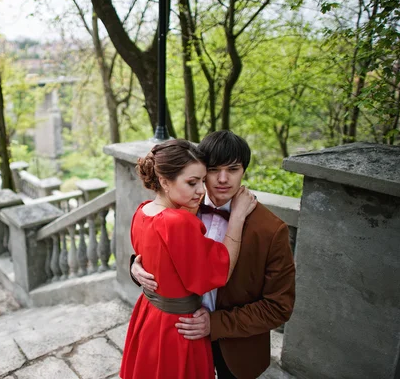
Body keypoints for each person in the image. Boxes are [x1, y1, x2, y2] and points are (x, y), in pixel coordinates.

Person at [132, 131, 296, 379]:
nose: (222, 179)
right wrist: (135, 266)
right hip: (178, 336)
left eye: (233, 169)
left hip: (236, 347)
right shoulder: (177, 208)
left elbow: (279, 307)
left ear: (244, 171)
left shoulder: (271, 230)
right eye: (213, 169)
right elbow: (153, 250)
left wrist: (216, 324)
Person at [121, 139, 257, 379]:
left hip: (149, 315)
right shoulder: (180, 222)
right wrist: (236, 219)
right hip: (179, 326)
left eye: (203, 180)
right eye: (192, 182)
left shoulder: (142, 210)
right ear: (164, 181)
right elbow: (219, 273)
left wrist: (135, 266)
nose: (202, 190)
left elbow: (154, 256)